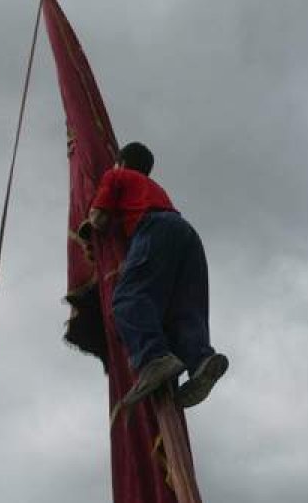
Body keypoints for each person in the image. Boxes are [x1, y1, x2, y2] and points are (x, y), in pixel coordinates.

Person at [79, 142, 228, 409]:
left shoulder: (116, 176)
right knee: (183, 310)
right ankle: (201, 360)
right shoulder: (153, 187)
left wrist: (88, 226)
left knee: (128, 299)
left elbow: (98, 218)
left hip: (153, 228)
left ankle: (154, 358)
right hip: (186, 233)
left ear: (121, 162)